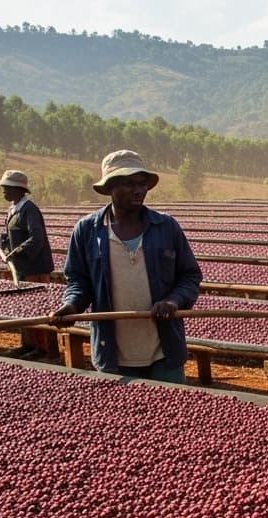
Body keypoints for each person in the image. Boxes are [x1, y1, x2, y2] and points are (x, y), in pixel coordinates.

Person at [51, 150, 202, 383]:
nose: (138, 190)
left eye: (142, 184)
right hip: (113, 354)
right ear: (110, 187)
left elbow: (190, 276)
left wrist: (173, 301)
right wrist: (71, 306)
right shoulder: (87, 231)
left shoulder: (166, 227)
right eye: (129, 183)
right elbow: (78, 281)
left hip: (164, 351)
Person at [0, 169, 55, 359]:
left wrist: (16, 253)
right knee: (25, 308)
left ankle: (45, 348)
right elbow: (15, 233)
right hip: (21, 267)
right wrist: (1, 239)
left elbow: (37, 239)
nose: (3, 190)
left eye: (6, 187)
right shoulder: (14, 208)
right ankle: (29, 344)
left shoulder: (29, 209)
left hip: (34, 267)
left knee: (38, 308)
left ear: (18, 189)